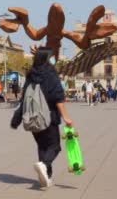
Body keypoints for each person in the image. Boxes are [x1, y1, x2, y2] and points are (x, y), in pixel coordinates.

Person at [11, 47, 73, 188]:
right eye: (51, 57)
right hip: (49, 117)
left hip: (33, 116)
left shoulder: (31, 75)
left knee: (42, 146)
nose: (53, 59)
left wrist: (17, 118)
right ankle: (44, 165)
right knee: (55, 147)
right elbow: (58, 98)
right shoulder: (51, 75)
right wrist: (66, 118)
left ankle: (46, 177)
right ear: (47, 59)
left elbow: (24, 98)